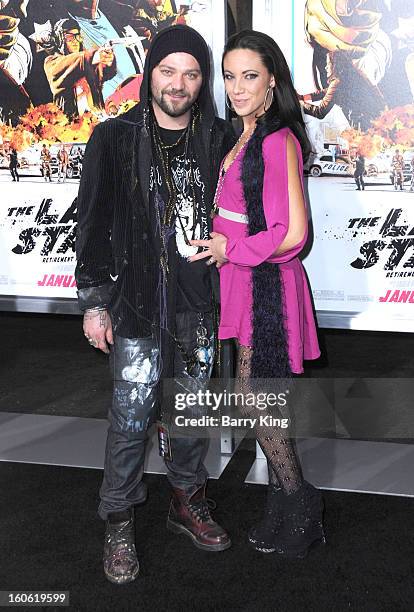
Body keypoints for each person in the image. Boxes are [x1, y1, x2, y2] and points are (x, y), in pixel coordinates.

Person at [75, 24, 235, 584]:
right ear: (151, 75)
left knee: (190, 410)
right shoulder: (114, 137)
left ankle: (187, 499)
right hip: (136, 304)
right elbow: (92, 223)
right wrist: (96, 303)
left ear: (202, 80)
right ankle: (118, 518)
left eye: (191, 74)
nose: (179, 84)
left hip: (200, 306)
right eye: (169, 71)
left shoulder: (219, 138)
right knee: (131, 415)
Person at [190, 30, 323, 559]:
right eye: (229, 76)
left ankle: (299, 501)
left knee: (254, 397)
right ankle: (284, 503)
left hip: (264, 280)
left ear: (272, 79)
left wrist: (232, 249)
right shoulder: (240, 134)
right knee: (258, 398)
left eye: (250, 76)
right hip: (244, 279)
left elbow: (293, 234)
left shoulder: (276, 139)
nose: (238, 87)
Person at [44, 17, 116, 118]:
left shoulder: (88, 61)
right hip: (72, 127)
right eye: (70, 38)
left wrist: (108, 60)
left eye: (78, 37)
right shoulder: (51, 62)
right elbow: (69, 65)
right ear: (60, 40)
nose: (75, 41)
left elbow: (108, 73)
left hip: (97, 119)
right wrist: (93, 57)